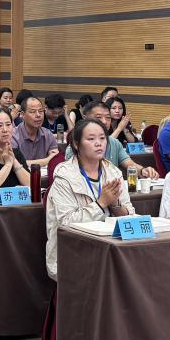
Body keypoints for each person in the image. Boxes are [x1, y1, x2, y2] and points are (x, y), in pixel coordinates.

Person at [45, 118, 135, 279]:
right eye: (91, 139)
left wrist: (115, 205)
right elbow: (65, 223)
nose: (99, 143)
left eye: (102, 138)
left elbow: (130, 216)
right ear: (76, 144)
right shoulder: (65, 177)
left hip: (110, 248)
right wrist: (101, 204)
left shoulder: (113, 172)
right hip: (75, 251)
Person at [65, 101, 159, 179]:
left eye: (108, 117)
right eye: (98, 117)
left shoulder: (114, 143)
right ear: (85, 118)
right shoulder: (77, 146)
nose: (104, 121)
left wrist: (143, 171)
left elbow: (130, 164)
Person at [11, 95, 60, 169]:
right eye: (32, 112)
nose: (38, 115)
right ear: (22, 115)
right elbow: (14, 163)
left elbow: (55, 158)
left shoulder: (47, 134)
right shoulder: (13, 135)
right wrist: (45, 161)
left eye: (41, 111)